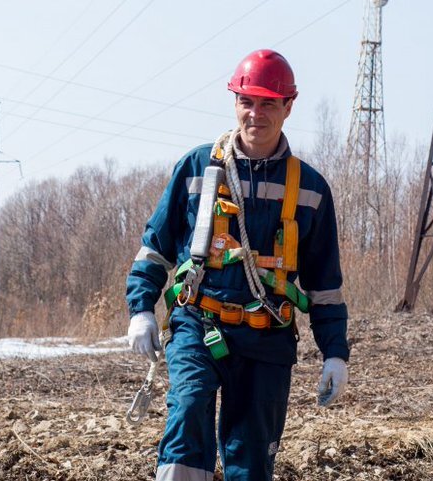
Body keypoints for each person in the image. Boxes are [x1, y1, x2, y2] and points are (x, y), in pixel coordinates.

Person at [125, 49, 349, 481]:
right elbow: (155, 248)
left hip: (268, 338)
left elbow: (324, 285)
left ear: (289, 106)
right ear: (234, 103)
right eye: (247, 101)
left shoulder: (311, 189)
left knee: (251, 460)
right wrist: (140, 310)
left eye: (268, 103)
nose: (256, 114)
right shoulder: (196, 168)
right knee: (187, 417)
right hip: (199, 323)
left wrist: (334, 353)